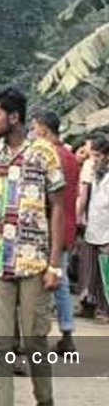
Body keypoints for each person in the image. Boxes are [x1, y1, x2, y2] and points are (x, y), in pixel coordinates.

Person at [0, 87, 63, 406]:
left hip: (34, 261)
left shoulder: (44, 152)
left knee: (34, 341)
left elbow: (58, 208)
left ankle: (44, 400)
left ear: (14, 117)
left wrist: (54, 265)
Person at [30, 110, 80, 351]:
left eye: (34, 127)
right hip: (68, 223)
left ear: (43, 128)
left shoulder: (48, 155)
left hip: (51, 225)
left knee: (47, 281)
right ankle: (66, 333)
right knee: (61, 281)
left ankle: (43, 335)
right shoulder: (70, 155)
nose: (32, 132)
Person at [80, 136, 109, 322]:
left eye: (98, 156)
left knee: (106, 271)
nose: (95, 159)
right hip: (93, 226)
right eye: (93, 155)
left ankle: (106, 310)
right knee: (91, 271)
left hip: (107, 229)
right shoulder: (94, 171)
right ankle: (91, 306)